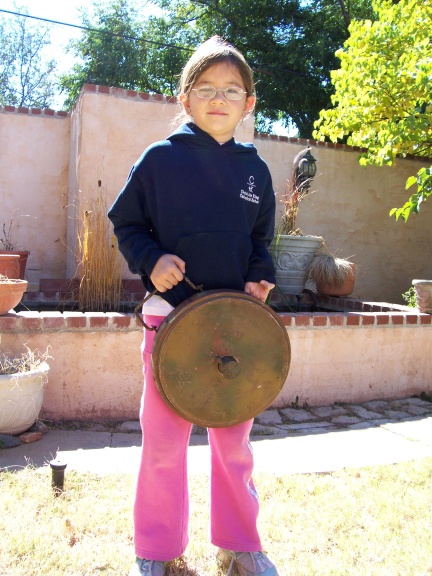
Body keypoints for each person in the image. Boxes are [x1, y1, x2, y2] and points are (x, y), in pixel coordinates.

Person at [108, 36, 278, 576]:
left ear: (249, 103)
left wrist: (260, 277)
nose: (218, 98)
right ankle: (155, 551)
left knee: (234, 446)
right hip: (170, 323)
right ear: (185, 98)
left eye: (231, 89)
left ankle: (240, 543)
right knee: (163, 444)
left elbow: (261, 242)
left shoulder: (255, 171)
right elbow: (126, 222)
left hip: (235, 329)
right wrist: (151, 258)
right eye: (205, 88)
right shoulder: (160, 160)